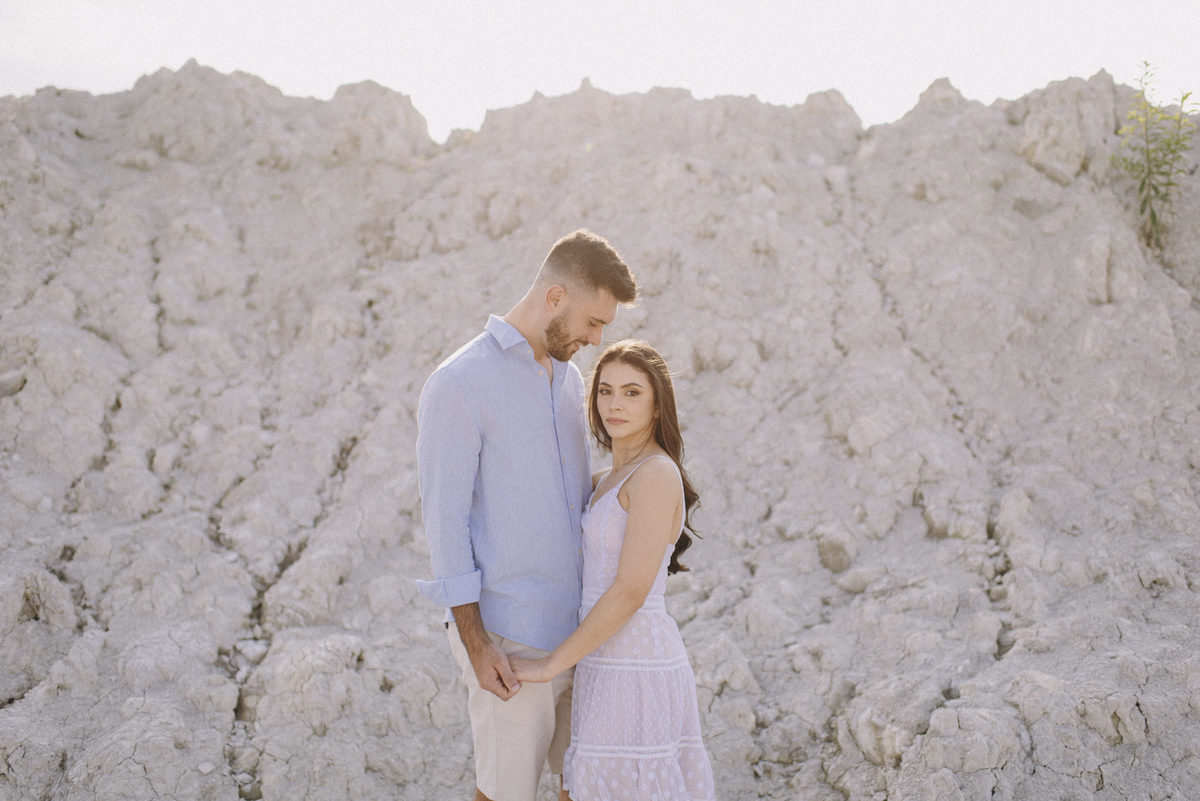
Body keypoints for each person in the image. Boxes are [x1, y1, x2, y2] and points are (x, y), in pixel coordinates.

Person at [416, 230, 639, 801]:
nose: (596, 340)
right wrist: (476, 642)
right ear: (556, 297)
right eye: (593, 323)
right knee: (504, 794)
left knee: (581, 789)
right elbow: (444, 525)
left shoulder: (566, 380)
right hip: (509, 642)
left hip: (579, 635)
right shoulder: (459, 383)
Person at [510, 340, 716, 801]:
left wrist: (549, 665)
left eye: (631, 392)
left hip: (635, 660)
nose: (614, 404)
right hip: (599, 657)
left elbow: (629, 590)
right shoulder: (606, 480)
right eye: (605, 391)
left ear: (658, 405)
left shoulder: (657, 475)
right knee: (579, 787)